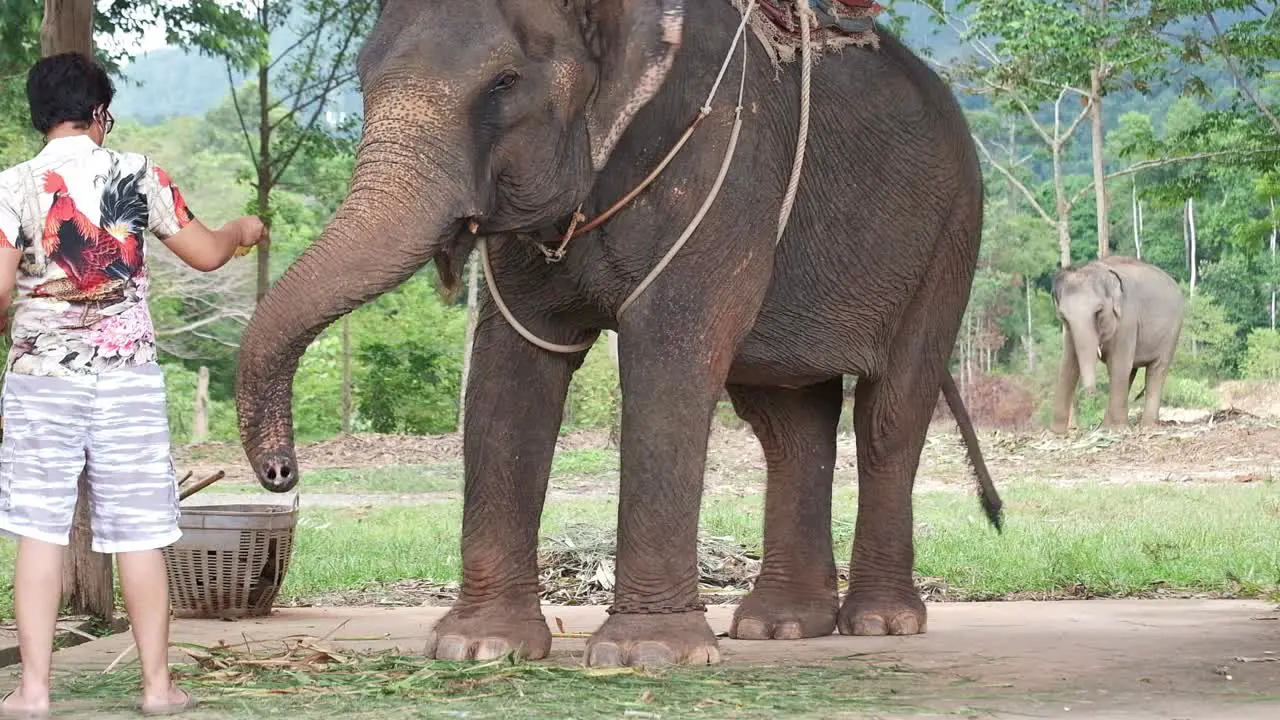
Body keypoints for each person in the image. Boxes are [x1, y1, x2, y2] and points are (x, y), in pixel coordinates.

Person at [0, 52, 264, 718]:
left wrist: (27, 322)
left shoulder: (10, 186)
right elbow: (206, 254)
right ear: (99, 113)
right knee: (138, 533)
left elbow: (0, 292)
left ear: (39, 117)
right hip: (125, 380)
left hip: (40, 382)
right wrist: (242, 230)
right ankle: (155, 689)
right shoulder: (137, 174)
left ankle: (33, 692)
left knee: (39, 531)